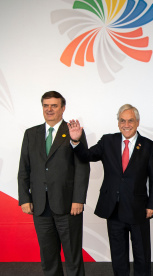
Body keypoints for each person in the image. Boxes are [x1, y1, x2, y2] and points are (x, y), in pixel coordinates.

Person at [68, 104, 153, 276]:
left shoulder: (148, 145)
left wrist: (152, 204)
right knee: (118, 254)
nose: (126, 124)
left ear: (137, 122)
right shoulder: (108, 141)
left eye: (130, 120)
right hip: (113, 208)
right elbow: (86, 156)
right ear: (118, 123)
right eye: (122, 121)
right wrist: (76, 141)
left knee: (142, 254)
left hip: (138, 208)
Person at [18, 91, 90, 276]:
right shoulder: (30, 134)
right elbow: (24, 170)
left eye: (54, 105)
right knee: (48, 258)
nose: (49, 109)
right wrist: (25, 198)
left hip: (68, 205)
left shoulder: (74, 132)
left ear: (63, 108)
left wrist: (78, 200)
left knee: (73, 257)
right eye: (46, 105)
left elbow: (82, 168)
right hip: (40, 206)